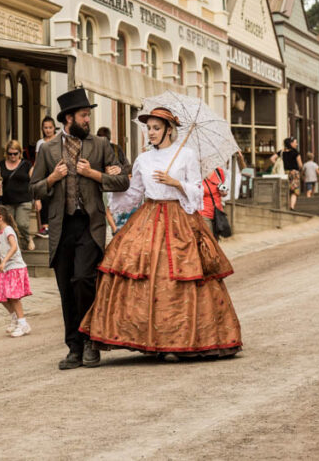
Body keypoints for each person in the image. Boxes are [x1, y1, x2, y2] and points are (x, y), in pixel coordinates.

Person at [80, 107, 242, 359]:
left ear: (169, 129)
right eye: (148, 128)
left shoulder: (186, 155)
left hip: (180, 219)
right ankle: (149, 339)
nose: (151, 133)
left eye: (156, 128)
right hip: (149, 216)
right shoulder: (143, 159)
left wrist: (176, 183)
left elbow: (198, 192)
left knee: (181, 276)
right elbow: (133, 194)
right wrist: (113, 181)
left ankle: (181, 340)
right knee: (142, 272)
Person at [30, 88, 128, 370]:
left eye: (88, 115)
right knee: (65, 287)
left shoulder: (100, 146)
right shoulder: (47, 150)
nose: (88, 120)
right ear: (69, 118)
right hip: (61, 228)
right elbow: (32, 188)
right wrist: (51, 178)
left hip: (89, 224)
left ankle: (90, 341)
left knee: (84, 280)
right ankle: (73, 347)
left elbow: (122, 180)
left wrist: (93, 174)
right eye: (84, 115)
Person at [0, 205, 32, 338]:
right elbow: (7, 250)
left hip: (14, 268)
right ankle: (14, 318)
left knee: (13, 297)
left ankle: (23, 323)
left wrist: (4, 261)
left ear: (0, 218)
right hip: (6, 267)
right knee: (1, 296)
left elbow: (14, 247)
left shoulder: (8, 230)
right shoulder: (1, 232)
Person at [0, 139, 36, 252]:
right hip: (7, 200)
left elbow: (33, 182)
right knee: (10, 226)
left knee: (22, 223)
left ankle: (28, 238)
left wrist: (36, 198)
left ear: (20, 152)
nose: (12, 156)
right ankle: (16, 246)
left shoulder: (26, 164)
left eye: (15, 153)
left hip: (24, 199)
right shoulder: (0, 165)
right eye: (10, 153)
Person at [34, 116, 58, 238]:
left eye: (50, 127)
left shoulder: (60, 140)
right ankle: (45, 226)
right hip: (44, 174)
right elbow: (37, 161)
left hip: (57, 171)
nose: (48, 130)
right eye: (45, 128)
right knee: (44, 197)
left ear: (54, 128)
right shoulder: (40, 143)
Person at [281, 137, 303, 209]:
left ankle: (285, 205)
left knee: (286, 189)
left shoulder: (282, 152)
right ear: (291, 143)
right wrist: (299, 170)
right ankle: (292, 206)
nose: (296, 144)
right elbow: (300, 165)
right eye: (295, 142)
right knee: (294, 191)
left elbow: (272, 158)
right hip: (294, 173)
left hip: (285, 173)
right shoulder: (296, 152)